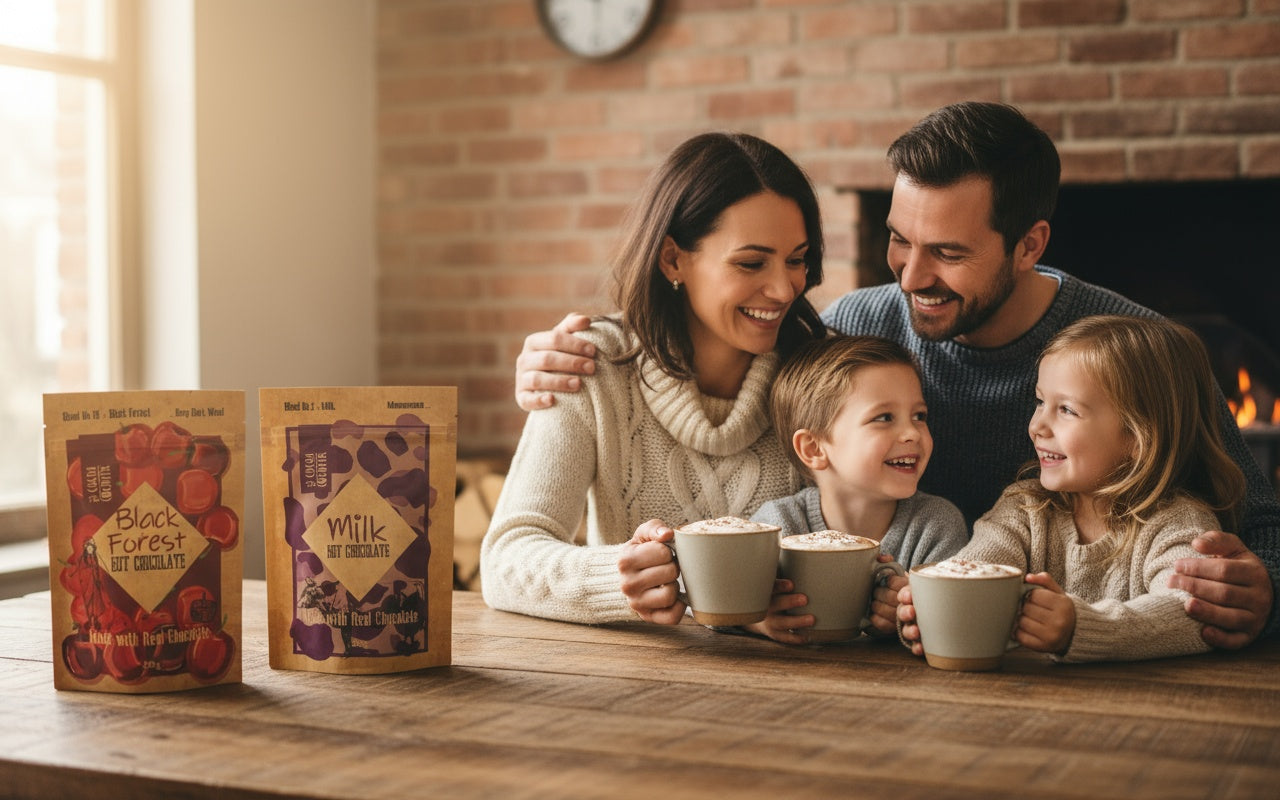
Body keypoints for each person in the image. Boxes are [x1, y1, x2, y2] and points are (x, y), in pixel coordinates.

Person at [512, 102, 1279, 648]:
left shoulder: (1135, 349)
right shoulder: (851, 331)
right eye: (898, 241)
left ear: (1028, 243)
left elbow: (1262, 525)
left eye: (948, 252)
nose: (912, 277)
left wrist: (1266, 592)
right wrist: (551, 370)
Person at [479, 131, 827, 624]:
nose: (784, 287)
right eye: (752, 262)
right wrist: (618, 579)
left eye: (796, 259)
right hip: (630, 681)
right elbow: (506, 561)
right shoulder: (590, 365)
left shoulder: (824, 377)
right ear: (673, 259)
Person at [898, 315, 1247, 662]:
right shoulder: (1025, 508)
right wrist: (929, 607)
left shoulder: (1180, 523)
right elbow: (975, 566)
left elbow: (1189, 612)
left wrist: (1080, 627)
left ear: (1140, 437)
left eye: (1066, 410)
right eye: (1039, 402)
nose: (1038, 426)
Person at [744, 334, 968, 644]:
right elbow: (712, 594)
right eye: (884, 418)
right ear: (813, 449)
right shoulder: (775, 526)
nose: (911, 433)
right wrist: (757, 619)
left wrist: (908, 616)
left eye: (919, 416)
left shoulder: (937, 524)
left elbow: (957, 622)